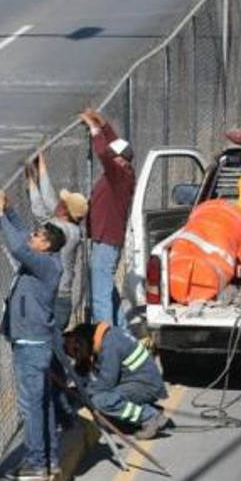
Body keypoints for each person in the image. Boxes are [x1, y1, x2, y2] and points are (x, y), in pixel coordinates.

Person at [0, 188, 66, 481]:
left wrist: (0, 216)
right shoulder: (43, 259)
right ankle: (50, 458)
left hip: (31, 346)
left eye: (38, 236)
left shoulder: (44, 264)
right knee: (42, 403)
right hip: (34, 343)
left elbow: (18, 247)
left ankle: (36, 462)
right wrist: (9, 209)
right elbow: (23, 237)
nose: (32, 237)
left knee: (30, 406)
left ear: (46, 246)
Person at [78, 108, 136, 328]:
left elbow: (104, 152)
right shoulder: (123, 170)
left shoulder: (119, 174)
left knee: (100, 298)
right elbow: (113, 145)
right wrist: (102, 123)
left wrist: (94, 130)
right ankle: (124, 334)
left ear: (120, 159)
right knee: (107, 291)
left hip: (107, 242)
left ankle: (105, 341)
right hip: (106, 240)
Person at [63, 321, 168, 440]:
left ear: (80, 344)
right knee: (101, 401)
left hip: (146, 386)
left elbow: (105, 384)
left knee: (101, 401)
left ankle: (149, 416)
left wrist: (83, 392)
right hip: (141, 382)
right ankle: (147, 410)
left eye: (76, 354)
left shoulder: (110, 345)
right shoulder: (108, 336)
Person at [26, 151, 87, 330]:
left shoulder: (63, 231)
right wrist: (41, 164)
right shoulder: (68, 224)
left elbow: (39, 209)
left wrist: (30, 179)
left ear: (65, 212)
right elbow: (50, 198)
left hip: (56, 301)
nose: (59, 202)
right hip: (58, 298)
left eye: (63, 202)